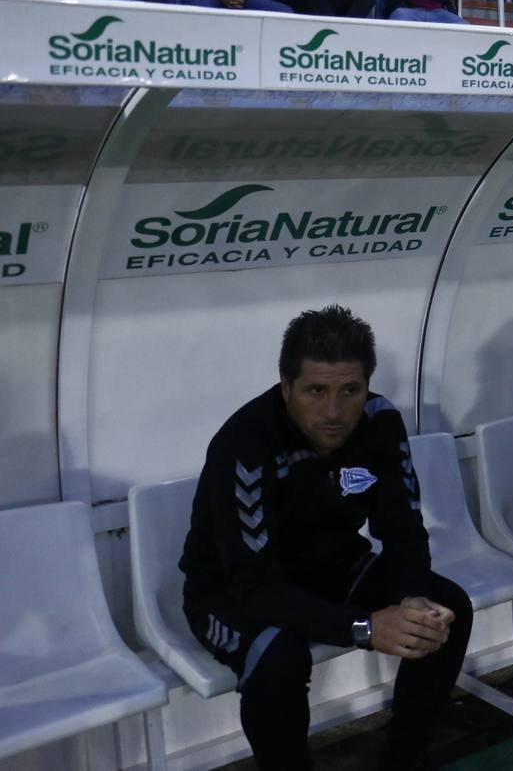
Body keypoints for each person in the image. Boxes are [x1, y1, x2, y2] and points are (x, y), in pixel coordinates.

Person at [179, 305, 472, 770]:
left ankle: (404, 761)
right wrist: (366, 629)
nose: (333, 411)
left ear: (366, 386)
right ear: (286, 385)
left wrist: (412, 598)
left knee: (442, 609)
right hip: (231, 590)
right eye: (316, 391)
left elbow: (403, 530)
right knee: (277, 658)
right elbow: (257, 587)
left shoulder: (379, 421)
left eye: (349, 391)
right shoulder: (245, 441)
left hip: (333, 568)